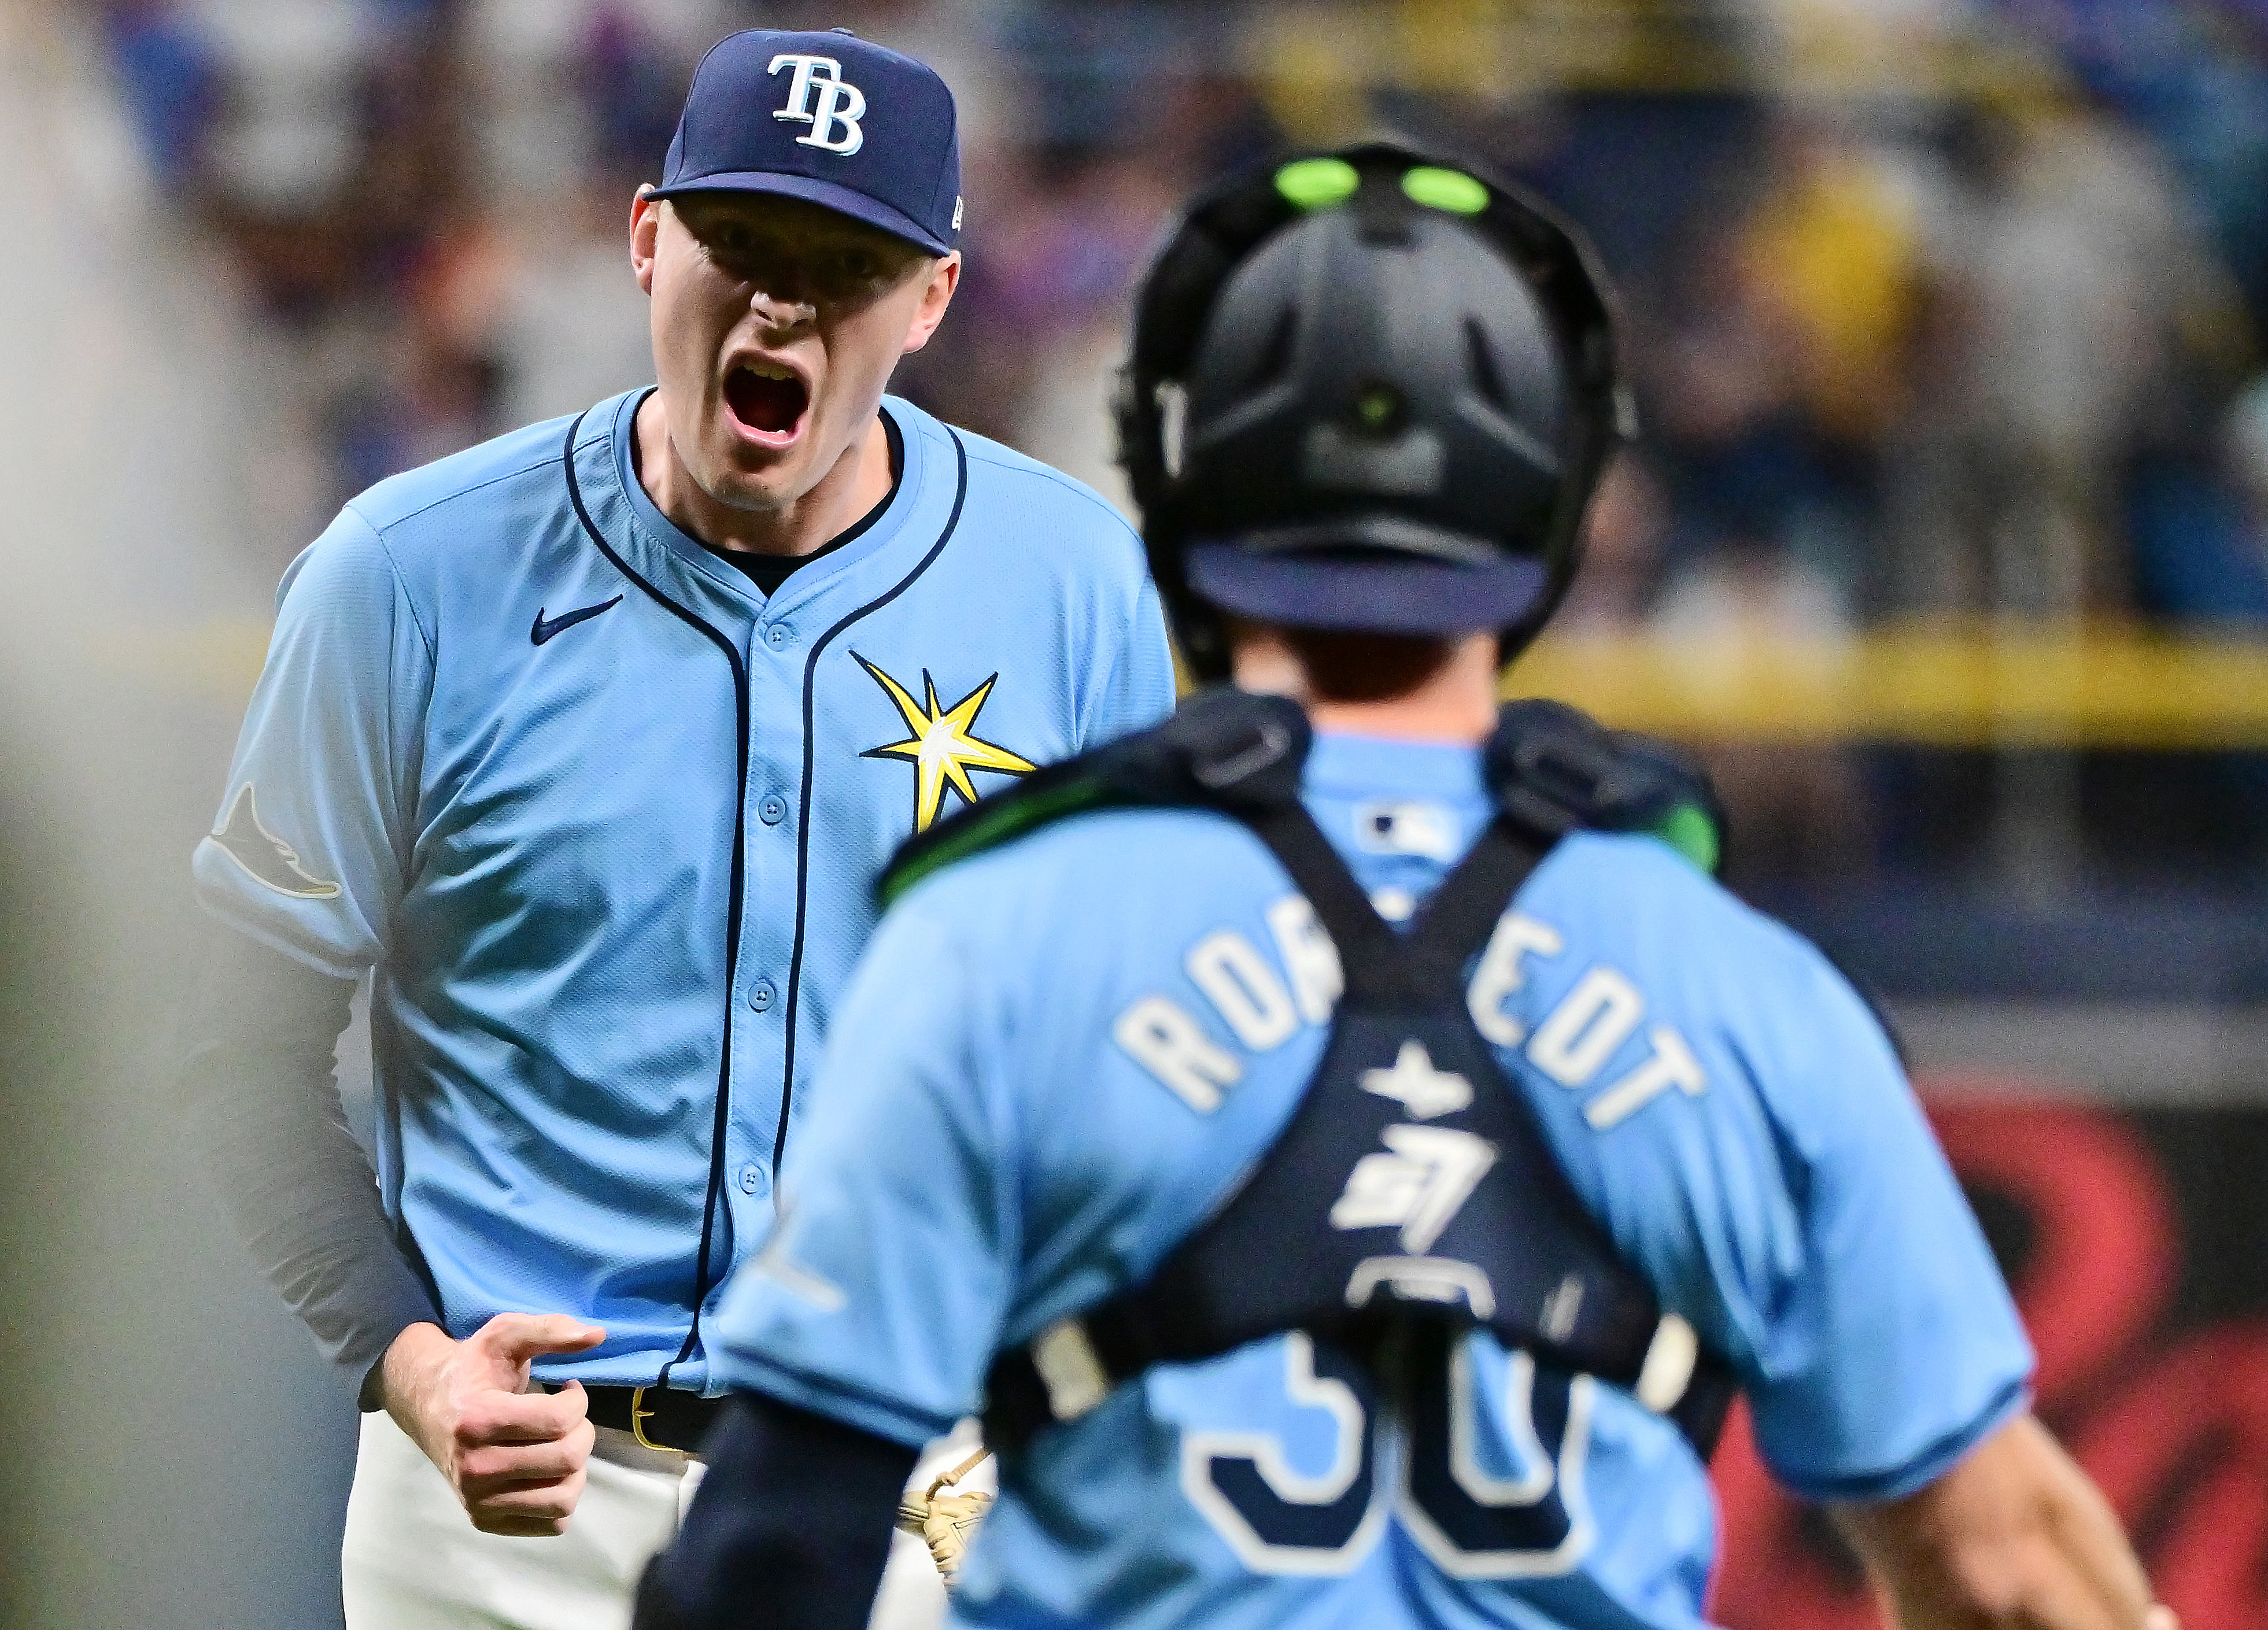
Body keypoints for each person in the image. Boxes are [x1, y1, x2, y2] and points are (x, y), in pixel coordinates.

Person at [631, 142, 2177, 1630]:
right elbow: (2003, 1565)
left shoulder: (1000, 939)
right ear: (1552, 501)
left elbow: (777, 1543)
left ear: (1184, 483)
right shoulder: (1748, 990)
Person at [179, 27, 1173, 1629]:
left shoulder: (1071, 588)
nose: (784, 301)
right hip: (499, 1511)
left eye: (845, 262)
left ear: (929, 300)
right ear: (649, 239)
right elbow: (235, 1044)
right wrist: (412, 1365)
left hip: (909, 1500)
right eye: (747, 240)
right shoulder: (407, 577)